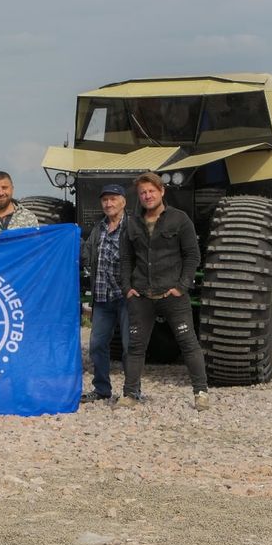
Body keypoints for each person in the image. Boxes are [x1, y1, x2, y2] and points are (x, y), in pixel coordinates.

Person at [118, 171, 209, 410]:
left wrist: (182, 286)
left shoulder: (180, 220)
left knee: (188, 343)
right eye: (143, 193)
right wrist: (127, 288)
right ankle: (130, 394)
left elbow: (192, 256)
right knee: (136, 348)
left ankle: (201, 393)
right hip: (141, 297)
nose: (147, 196)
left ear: (162, 192)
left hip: (172, 295)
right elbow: (126, 258)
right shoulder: (132, 223)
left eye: (151, 191)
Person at [81, 184, 130, 404]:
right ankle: (101, 389)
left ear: (123, 202)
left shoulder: (133, 227)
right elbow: (86, 255)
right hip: (101, 297)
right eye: (105, 200)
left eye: (113, 199)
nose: (108, 204)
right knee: (97, 345)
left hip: (127, 297)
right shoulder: (98, 229)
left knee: (130, 347)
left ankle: (132, 391)